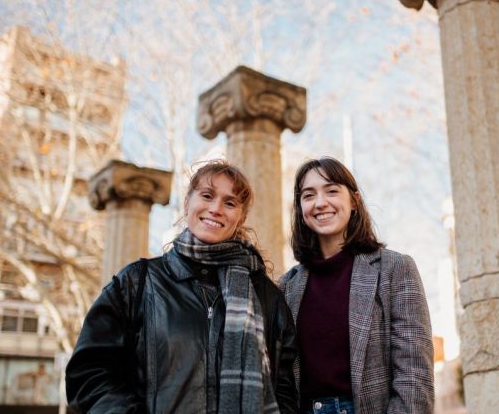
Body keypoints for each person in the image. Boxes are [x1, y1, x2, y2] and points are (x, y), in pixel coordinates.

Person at [66, 159, 299, 414]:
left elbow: (285, 389)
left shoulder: (267, 297)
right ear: (188, 203)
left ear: (241, 217)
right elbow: (89, 373)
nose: (216, 208)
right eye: (207, 196)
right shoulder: (137, 283)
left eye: (230, 202)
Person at [280, 157, 434, 414]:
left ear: (354, 201)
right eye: (308, 195)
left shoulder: (395, 269)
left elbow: (414, 375)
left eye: (331, 191)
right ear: (300, 208)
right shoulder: (287, 286)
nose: (320, 203)